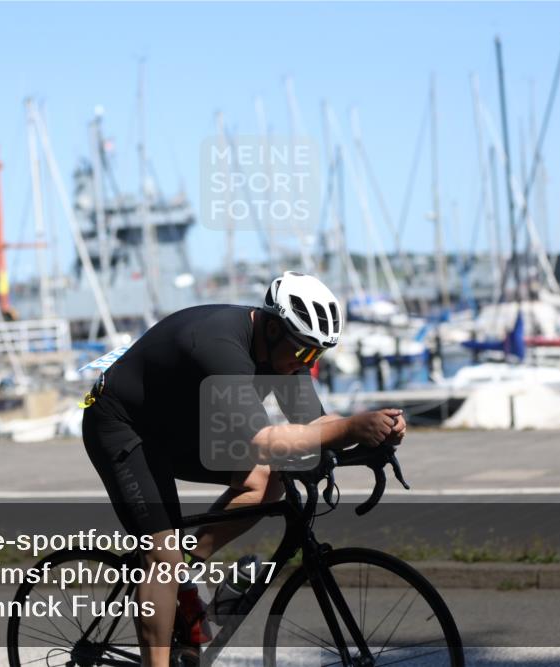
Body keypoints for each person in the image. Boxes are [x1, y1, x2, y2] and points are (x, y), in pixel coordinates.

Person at [81, 271, 407, 666]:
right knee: (160, 557)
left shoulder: (287, 352)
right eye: (304, 352)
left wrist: (371, 431)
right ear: (271, 328)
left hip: (175, 426)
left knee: (264, 480)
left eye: (316, 355)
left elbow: (316, 427)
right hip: (121, 427)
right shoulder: (218, 345)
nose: (307, 362)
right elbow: (264, 442)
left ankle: (188, 580)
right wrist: (349, 428)